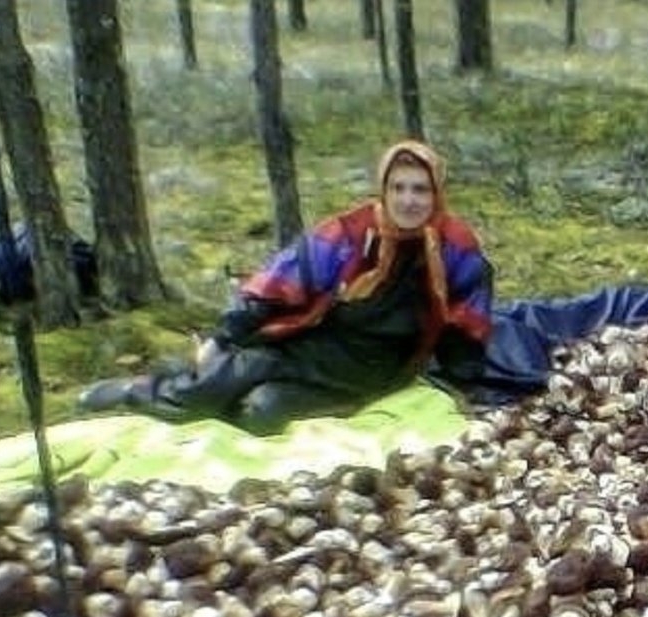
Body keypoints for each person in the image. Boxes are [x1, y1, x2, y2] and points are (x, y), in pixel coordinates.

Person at [78, 139, 493, 435]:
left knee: (255, 392)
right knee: (252, 394)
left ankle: (164, 387)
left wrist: (458, 387)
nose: (408, 201)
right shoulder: (351, 233)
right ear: (383, 190)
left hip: (379, 369)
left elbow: (466, 328)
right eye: (397, 188)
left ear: (436, 194)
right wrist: (225, 336)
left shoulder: (456, 248)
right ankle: (151, 391)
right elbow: (283, 280)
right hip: (316, 343)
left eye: (420, 189)